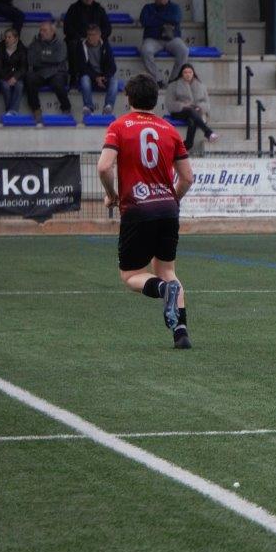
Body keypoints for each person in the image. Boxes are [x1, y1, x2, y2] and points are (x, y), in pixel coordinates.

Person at [96, 74, 195, 349]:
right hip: (167, 209)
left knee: (130, 275)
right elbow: (187, 177)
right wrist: (170, 200)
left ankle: (163, 290)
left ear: (128, 98)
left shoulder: (119, 127)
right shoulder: (170, 129)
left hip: (137, 210)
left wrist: (112, 195)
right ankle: (181, 334)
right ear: (156, 100)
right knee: (167, 270)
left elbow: (104, 167)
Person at [138, 0, 188, 84]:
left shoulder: (174, 7)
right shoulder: (148, 8)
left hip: (172, 39)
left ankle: (173, 79)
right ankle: (158, 79)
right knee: (145, 51)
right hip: (153, 39)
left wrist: (155, 17)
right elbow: (144, 21)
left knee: (184, 51)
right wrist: (166, 19)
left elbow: (176, 19)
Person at [63, 0, 112, 81]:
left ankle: (104, 75)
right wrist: (81, 38)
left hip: (97, 39)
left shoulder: (99, 9)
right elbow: (67, 28)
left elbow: (107, 28)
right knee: (73, 45)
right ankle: (74, 76)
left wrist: (98, 37)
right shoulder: (73, 9)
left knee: (105, 46)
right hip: (79, 39)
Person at [25, 18, 70, 122]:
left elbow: (59, 58)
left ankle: (66, 108)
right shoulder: (35, 43)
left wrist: (42, 57)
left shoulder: (61, 43)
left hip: (57, 72)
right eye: (41, 30)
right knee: (29, 78)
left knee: (58, 83)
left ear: (52, 31)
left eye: (45, 30)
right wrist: (50, 58)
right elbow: (31, 60)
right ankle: (36, 109)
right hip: (40, 73)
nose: (42, 32)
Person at [165, 63, 217, 149]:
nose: (188, 74)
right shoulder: (173, 85)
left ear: (193, 73)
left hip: (196, 112)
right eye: (185, 72)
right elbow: (169, 103)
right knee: (190, 110)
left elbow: (207, 103)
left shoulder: (201, 86)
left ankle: (188, 144)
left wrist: (200, 107)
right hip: (179, 112)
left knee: (192, 119)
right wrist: (183, 105)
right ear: (181, 73)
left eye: (190, 72)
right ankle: (208, 132)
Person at [76, 24, 119, 116]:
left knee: (114, 81)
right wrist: (96, 77)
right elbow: (81, 67)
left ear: (99, 35)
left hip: (103, 77)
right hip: (90, 77)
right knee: (84, 79)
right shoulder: (81, 46)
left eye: (93, 35)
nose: (90, 37)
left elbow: (112, 67)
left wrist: (104, 77)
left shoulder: (105, 45)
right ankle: (88, 107)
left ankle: (108, 107)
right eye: (89, 34)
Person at [0, 26, 28, 115]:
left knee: (20, 86)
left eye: (9, 37)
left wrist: (15, 78)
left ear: (16, 38)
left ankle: (12, 111)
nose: (7, 39)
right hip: (3, 76)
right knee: (5, 86)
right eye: (5, 37)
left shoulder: (22, 49)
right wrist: (7, 78)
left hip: (17, 77)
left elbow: (24, 67)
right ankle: (11, 112)